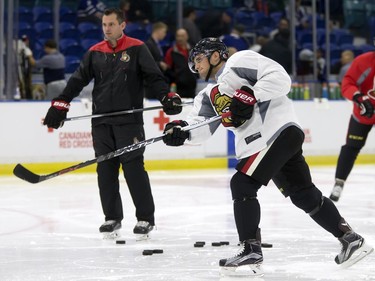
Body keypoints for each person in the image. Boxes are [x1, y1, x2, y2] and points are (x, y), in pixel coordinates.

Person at [162, 38, 373, 276]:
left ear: (214, 56)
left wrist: (252, 94)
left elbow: (280, 77)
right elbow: (200, 125)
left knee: (242, 183)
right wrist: (181, 131)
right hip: (271, 140)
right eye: (193, 64)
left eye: (198, 60)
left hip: (274, 132)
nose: (196, 67)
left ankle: (250, 249)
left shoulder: (239, 61)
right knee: (303, 195)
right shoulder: (207, 95)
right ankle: (350, 238)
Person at [42, 8, 182, 239]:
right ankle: (112, 217)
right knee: (105, 171)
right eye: (104, 25)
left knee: (134, 169)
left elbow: (154, 77)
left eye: (111, 24)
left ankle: (145, 218)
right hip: (101, 122)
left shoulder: (137, 48)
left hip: (129, 122)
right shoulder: (95, 52)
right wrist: (60, 104)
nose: (106, 29)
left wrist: (167, 97)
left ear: (122, 25)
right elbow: (77, 81)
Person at [329, 51, 375, 202]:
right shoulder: (364, 61)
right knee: (352, 147)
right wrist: (358, 97)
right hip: (363, 112)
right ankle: (339, 182)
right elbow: (348, 83)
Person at [164, 28, 197, 98]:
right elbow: (167, 69)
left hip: (192, 88)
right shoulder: (171, 52)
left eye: (182, 36)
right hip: (177, 89)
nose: (180, 38)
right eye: (178, 36)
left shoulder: (193, 51)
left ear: (187, 36)